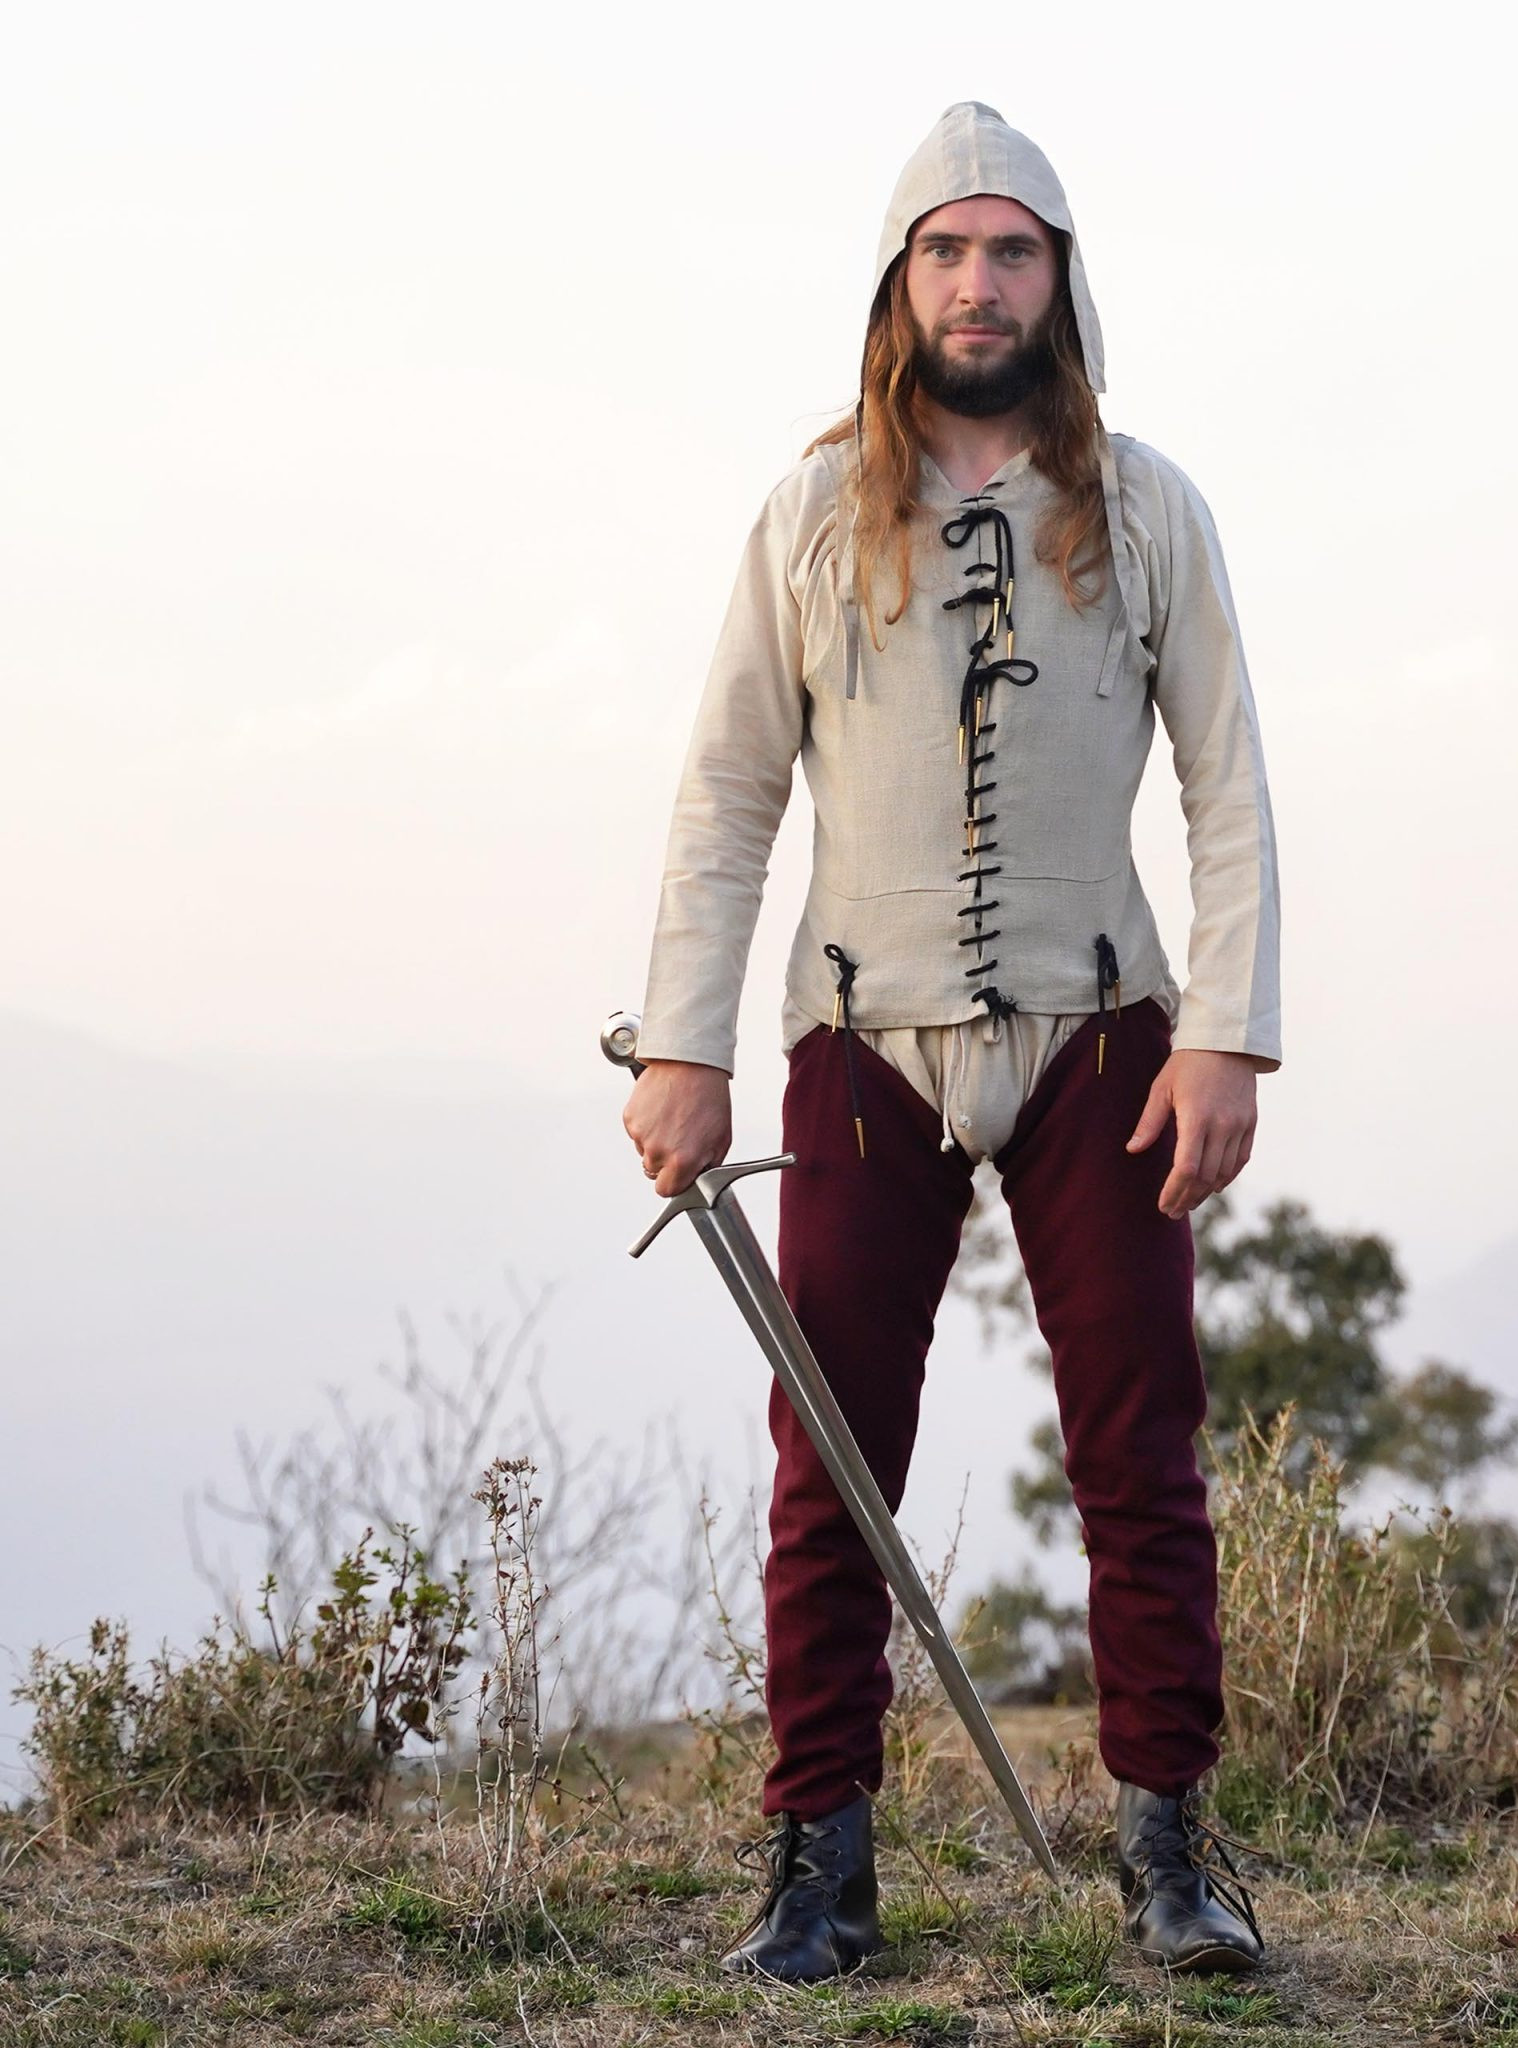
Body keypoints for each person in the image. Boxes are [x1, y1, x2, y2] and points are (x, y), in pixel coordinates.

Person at [621, 101, 1282, 1983]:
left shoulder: (1149, 509)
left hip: (1107, 1034)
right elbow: (728, 792)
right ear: (899, 283)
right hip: (860, 1034)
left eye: (1011, 251)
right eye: (947, 251)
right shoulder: (810, 515)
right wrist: (686, 1048)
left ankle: (1172, 1855)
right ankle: (818, 1871)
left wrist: (1224, 1037)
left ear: (1058, 279)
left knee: (1141, 1447)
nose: (978, 283)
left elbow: (1228, 786)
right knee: (831, 1460)